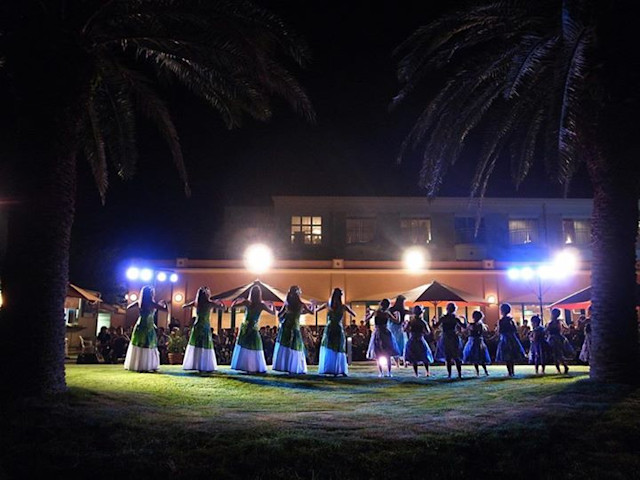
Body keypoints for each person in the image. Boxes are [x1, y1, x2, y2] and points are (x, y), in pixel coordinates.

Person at [230, 285, 277, 373]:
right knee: (255, 346)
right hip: (254, 328)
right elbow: (273, 313)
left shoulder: (247, 302)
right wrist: (272, 305)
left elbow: (232, 307)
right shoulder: (261, 305)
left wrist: (237, 300)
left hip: (245, 327)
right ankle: (254, 366)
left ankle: (243, 365)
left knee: (244, 346)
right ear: (259, 294)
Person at [272, 285, 316, 374]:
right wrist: (313, 305)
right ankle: (293, 366)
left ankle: (284, 365)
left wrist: (286, 314)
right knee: (295, 346)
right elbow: (311, 312)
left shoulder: (287, 304)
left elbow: (279, 314)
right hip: (295, 328)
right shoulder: (301, 304)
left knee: (285, 346)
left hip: (286, 327)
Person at [124, 285, 167, 372]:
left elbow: (128, 307)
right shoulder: (152, 304)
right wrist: (164, 303)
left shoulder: (139, 302)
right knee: (148, 345)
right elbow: (164, 310)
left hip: (140, 325)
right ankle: (147, 365)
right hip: (148, 327)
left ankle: (137, 365)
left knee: (139, 345)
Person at [181, 286, 225, 372]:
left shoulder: (196, 303)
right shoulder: (209, 303)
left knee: (196, 344)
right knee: (205, 344)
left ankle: (194, 363)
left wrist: (189, 305)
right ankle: (204, 364)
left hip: (197, 326)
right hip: (205, 326)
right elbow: (223, 308)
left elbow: (183, 306)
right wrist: (220, 302)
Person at [316, 288, 355, 376]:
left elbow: (316, 310)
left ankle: (330, 368)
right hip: (337, 328)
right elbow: (354, 314)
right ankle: (338, 368)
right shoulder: (343, 307)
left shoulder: (328, 305)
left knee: (330, 348)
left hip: (330, 328)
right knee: (338, 348)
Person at [365, 299, 401, 377]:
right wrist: (398, 314)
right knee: (387, 353)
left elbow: (366, 320)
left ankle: (381, 372)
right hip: (385, 333)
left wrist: (368, 314)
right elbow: (397, 321)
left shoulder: (376, 312)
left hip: (378, 333)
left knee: (378, 353)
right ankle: (389, 372)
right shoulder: (386, 313)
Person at [434, 302, 467, 379]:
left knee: (448, 357)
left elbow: (435, 326)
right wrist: (464, 319)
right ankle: (459, 374)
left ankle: (450, 374)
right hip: (453, 337)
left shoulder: (443, 318)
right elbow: (464, 326)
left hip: (446, 337)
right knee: (456, 356)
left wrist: (434, 321)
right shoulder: (455, 318)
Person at [495, 303, 526, 377]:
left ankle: (509, 372)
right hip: (512, 338)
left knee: (506, 356)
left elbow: (499, 331)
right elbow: (515, 329)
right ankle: (512, 371)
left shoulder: (501, 321)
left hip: (504, 338)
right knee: (511, 355)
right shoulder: (511, 320)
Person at [403, 305, 434, 377]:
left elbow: (405, 330)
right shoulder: (422, 322)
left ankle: (416, 374)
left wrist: (409, 329)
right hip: (420, 339)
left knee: (414, 357)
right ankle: (427, 372)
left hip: (412, 340)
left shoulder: (411, 322)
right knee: (424, 356)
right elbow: (428, 332)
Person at [546, 308, 575, 374]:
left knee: (556, 354)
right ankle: (562, 367)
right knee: (557, 354)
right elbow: (566, 329)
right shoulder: (559, 322)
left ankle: (561, 368)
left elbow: (547, 330)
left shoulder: (552, 323)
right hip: (558, 338)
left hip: (554, 339)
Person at [462, 310, 490, 376]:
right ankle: (482, 371)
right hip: (476, 341)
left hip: (475, 341)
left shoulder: (478, 325)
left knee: (478, 357)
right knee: (478, 357)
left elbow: (470, 330)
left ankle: (480, 371)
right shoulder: (481, 325)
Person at [388, 295, 411, 366]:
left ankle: (397, 363)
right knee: (402, 344)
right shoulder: (403, 310)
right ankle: (404, 361)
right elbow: (411, 312)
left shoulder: (391, 309)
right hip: (399, 328)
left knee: (395, 344)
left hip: (393, 328)